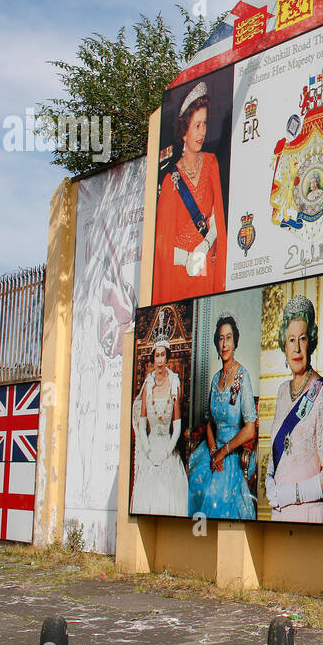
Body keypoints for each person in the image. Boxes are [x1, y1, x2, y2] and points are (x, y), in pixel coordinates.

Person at [265, 295, 323, 523]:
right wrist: (269, 480)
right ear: (284, 345)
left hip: (311, 514)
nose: (297, 348)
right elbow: (276, 453)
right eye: (291, 340)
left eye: (303, 339)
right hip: (280, 512)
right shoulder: (281, 391)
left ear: (312, 342)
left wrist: (291, 494)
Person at [154, 80, 226, 302]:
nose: (202, 132)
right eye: (197, 125)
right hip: (180, 273)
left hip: (206, 265)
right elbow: (163, 245)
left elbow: (217, 217)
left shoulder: (212, 162)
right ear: (184, 131)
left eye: (204, 124)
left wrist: (203, 248)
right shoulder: (170, 180)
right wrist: (186, 258)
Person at [186, 314, 257, 519]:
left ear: (235, 342)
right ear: (217, 342)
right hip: (213, 449)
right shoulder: (216, 378)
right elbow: (210, 422)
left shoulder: (243, 377)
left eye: (228, 338)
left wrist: (223, 452)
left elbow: (250, 429)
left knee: (215, 495)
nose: (224, 344)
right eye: (220, 338)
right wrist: (213, 451)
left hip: (233, 453)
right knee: (193, 482)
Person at [130, 335, 188, 516]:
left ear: (167, 358)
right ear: (153, 358)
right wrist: (147, 451)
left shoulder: (174, 383)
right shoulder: (148, 384)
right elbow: (141, 425)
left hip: (167, 448)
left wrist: (165, 453)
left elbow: (177, 428)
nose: (160, 360)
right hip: (151, 445)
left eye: (163, 355)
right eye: (157, 356)